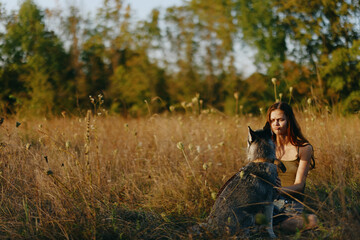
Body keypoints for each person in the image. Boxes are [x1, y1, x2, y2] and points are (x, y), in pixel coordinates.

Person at [266, 101, 318, 233]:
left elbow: (299, 186)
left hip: (290, 202)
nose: (276, 124)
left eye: (280, 120)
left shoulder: (304, 148)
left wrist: (278, 190)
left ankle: (273, 227)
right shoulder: (267, 146)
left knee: (313, 221)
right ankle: (268, 225)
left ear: (289, 120)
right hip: (268, 200)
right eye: (272, 120)